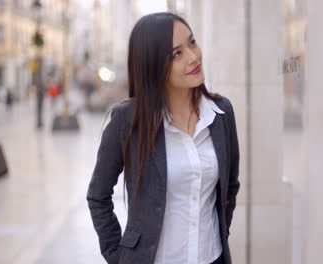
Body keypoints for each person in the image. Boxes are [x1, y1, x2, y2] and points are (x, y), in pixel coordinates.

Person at [87, 12, 240, 264]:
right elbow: (98, 196)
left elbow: (230, 188)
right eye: (176, 54)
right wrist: (118, 256)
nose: (193, 57)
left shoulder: (221, 114)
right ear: (153, 65)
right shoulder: (127, 121)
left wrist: (219, 235)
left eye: (192, 43)